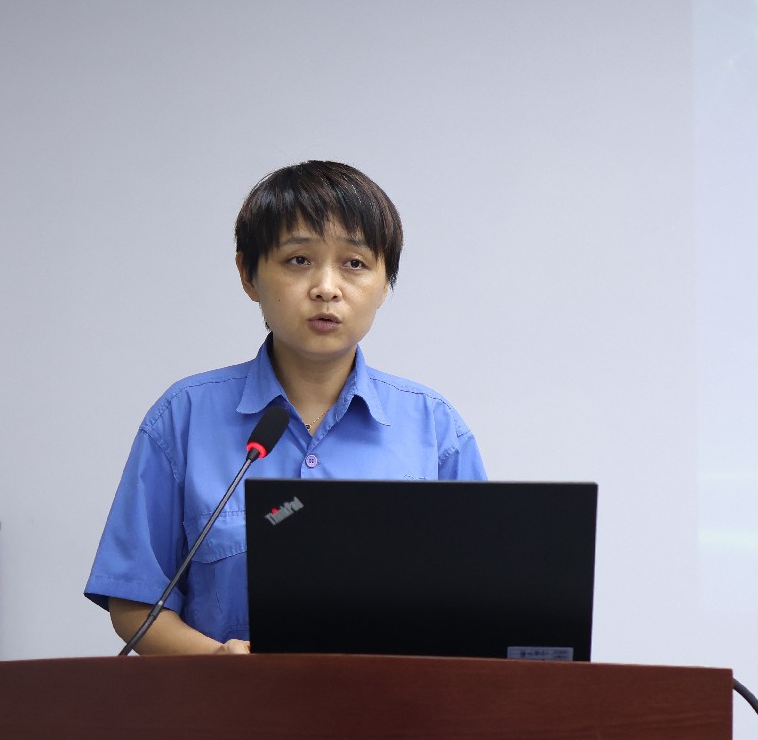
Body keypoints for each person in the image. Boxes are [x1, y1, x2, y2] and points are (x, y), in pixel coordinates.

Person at [83, 161, 486, 654]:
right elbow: (135, 601)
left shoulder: (434, 429)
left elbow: (478, 605)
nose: (326, 287)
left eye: (355, 263)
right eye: (299, 260)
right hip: (230, 702)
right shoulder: (183, 417)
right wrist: (217, 661)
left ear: (385, 284)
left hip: (391, 703)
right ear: (248, 274)